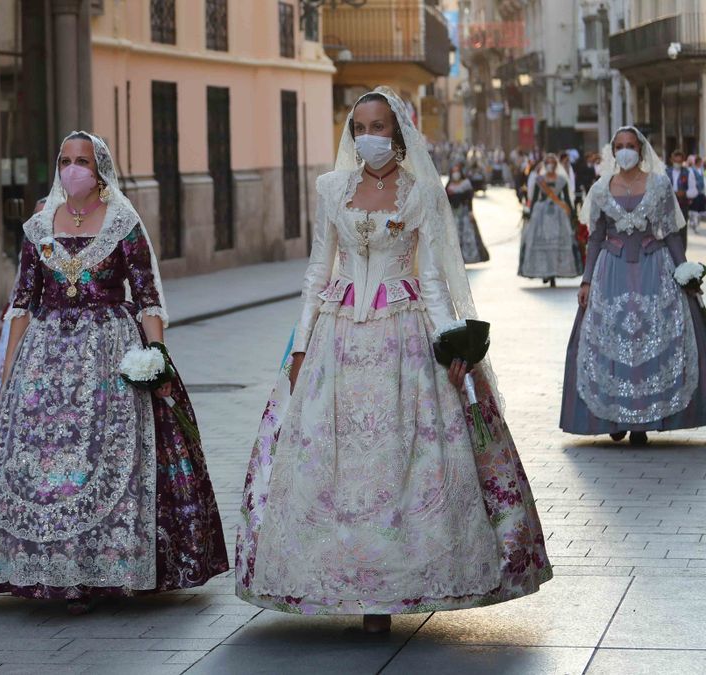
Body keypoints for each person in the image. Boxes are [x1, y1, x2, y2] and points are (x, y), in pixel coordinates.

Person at [234, 88, 551, 634]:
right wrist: (301, 347)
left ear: (397, 133)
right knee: (331, 454)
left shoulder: (422, 192)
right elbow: (316, 271)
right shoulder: (332, 188)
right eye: (359, 127)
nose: (368, 136)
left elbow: (431, 281)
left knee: (406, 454)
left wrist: (452, 346)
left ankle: (398, 584)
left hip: (404, 337)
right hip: (338, 336)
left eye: (378, 126)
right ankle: (345, 579)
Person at [0, 131, 229, 613]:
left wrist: (156, 355)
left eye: (82, 160)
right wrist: (8, 374)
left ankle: (101, 568)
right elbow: (22, 303)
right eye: (65, 160)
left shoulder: (123, 222)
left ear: (100, 171)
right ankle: (46, 569)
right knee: (39, 465)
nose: (73, 168)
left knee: (105, 459)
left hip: (109, 353)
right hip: (45, 358)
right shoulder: (38, 228)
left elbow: (147, 298)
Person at [561, 127, 706, 445]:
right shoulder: (600, 189)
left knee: (649, 339)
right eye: (620, 146)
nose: (625, 151)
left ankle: (642, 421)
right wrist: (586, 280)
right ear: (612, 151)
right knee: (612, 340)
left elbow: (670, 233)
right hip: (610, 274)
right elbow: (596, 238)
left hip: (654, 268)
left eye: (631, 146)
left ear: (641, 150)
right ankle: (614, 418)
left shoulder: (659, 184)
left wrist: (685, 273)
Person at [520, 153, 582, 287]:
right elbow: (536, 197)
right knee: (543, 245)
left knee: (557, 245)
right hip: (541, 214)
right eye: (547, 162)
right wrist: (530, 215)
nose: (550, 165)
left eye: (552, 162)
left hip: (558, 215)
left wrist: (573, 215)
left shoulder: (561, 180)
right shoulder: (539, 180)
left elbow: (565, 198)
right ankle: (545, 272)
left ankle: (554, 273)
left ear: (556, 165)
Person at [446, 163, 490, 263]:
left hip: (464, 212)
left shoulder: (466, 183)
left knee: (467, 234)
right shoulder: (449, 184)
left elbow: (469, 198)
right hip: (453, 213)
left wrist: (470, 211)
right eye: (453, 171)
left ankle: (468, 257)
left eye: (457, 171)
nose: (455, 173)